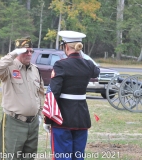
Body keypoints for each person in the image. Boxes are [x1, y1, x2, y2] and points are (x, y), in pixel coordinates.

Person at [43, 31, 100, 160]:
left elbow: (53, 93)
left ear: (66, 47)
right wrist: (82, 54)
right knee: (78, 156)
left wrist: (48, 118)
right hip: (82, 118)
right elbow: (97, 70)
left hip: (62, 118)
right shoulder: (89, 64)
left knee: (62, 156)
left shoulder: (61, 65)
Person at [0, 37, 45, 160]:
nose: (29, 54)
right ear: (18, 52)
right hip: (14, 122)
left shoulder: (35, 70)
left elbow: (41, 94)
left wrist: (41, 114)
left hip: (32, 123)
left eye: (31, 51)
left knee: (29, 157)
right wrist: (13, 54)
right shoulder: (9, 68)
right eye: (26, 51)